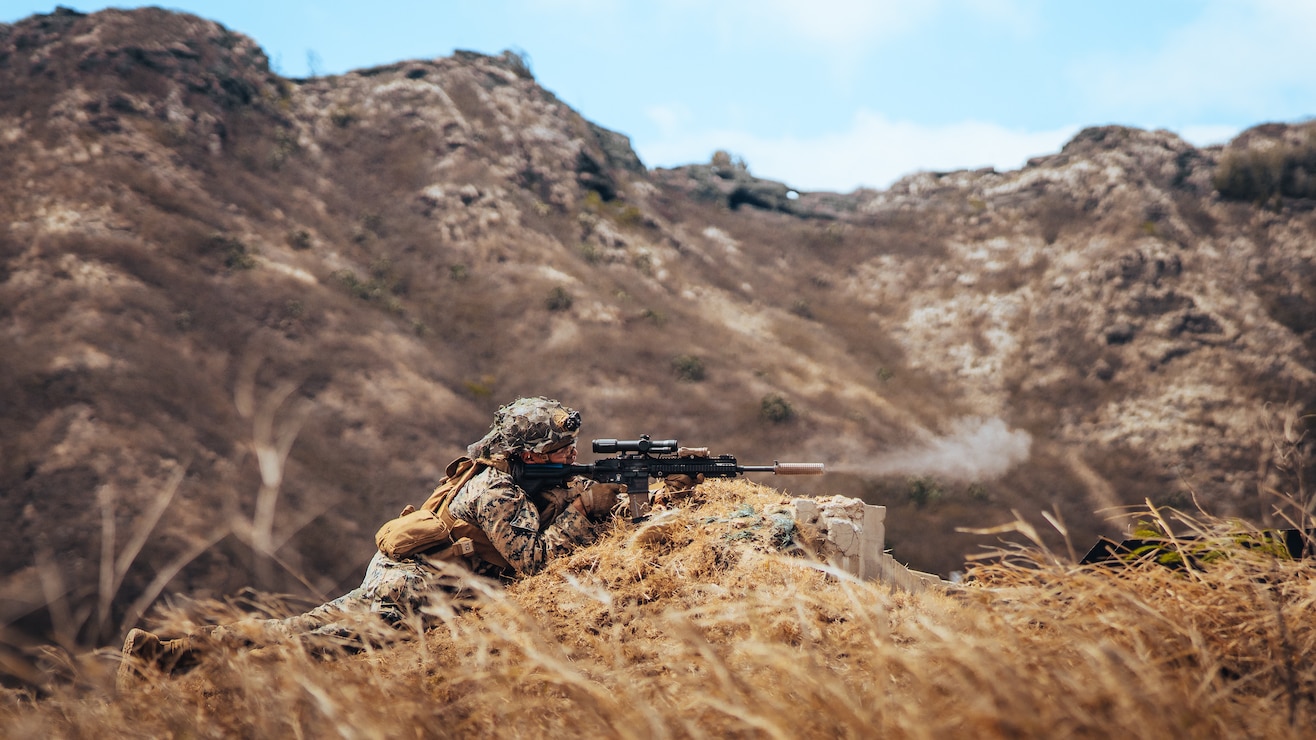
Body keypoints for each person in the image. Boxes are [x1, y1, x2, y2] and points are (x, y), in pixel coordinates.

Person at [118, 396, 621, 684]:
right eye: (560, 448)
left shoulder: (504, 473)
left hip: (397, 576)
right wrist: (584, 510)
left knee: (292, 627)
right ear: (528, 454)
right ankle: (199, 677)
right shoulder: (497, 491)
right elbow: (536, 563)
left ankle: (166, 654)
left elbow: (558, 495)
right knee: (311, 647)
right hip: (417, 595)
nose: (571, 454)